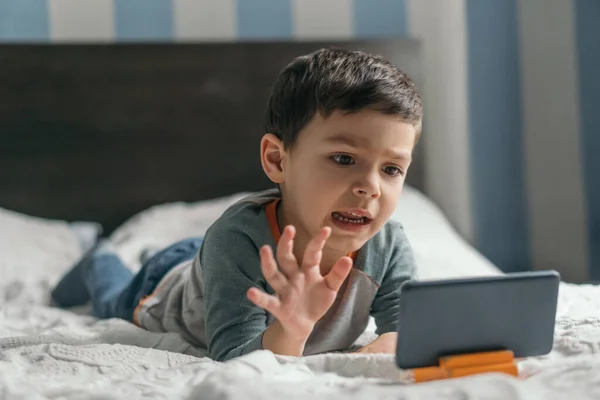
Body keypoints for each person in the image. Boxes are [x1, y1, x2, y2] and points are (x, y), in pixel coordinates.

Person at [51, 48, 423, 362]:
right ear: (278, 160)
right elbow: (236, 355)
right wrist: (292, 330)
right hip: (165, 286)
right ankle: (97, 253)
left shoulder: (388, 245)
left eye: (391, 168)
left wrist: (388, 344)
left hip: (207, 257)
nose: (370, 188)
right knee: (110, 295)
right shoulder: (238, 240)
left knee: (202, 254)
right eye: (344, 159)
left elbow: (406, 330)